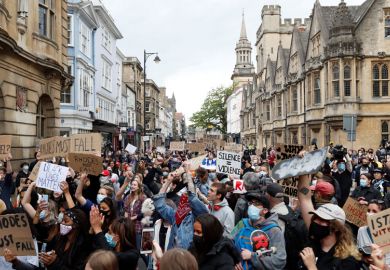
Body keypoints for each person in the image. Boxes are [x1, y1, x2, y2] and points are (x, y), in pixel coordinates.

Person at [298, 168, 361, 269]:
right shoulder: (314, 238)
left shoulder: (347, 260)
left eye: (323, 220)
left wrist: (312, 267)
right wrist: (305, 168)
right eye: (316, 217)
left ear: (336, 227)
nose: (316, 222)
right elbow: (304, 198)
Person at [153, 163, 208, 249]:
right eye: (184, 195)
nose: (185, 197)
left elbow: (193, 198)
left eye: (187, 195)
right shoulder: (176, 216)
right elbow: (160, 204)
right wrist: (168, 181)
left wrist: (188, 175)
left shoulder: (198, 217)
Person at [232, 193, 286, 270]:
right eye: (250, 203)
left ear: (265, 210)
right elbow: (229, 243)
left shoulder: (274, 231)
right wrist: (234, 260)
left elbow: (279, 261)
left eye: (256, 204)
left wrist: (252, 256)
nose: (251, 206)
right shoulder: (242, 223)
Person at [357, 199, 389, 268]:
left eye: (374, 211)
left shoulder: (387, 233)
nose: (370, 213)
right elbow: (360, 253)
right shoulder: (361, 230)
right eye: (368, 211)